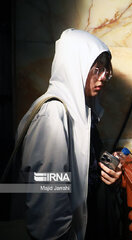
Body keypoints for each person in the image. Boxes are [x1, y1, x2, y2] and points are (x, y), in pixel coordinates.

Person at [7, 28, 122, 239]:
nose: (104, 77)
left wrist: (107, 172)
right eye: (97, 68)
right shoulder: (53, 116)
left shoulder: (80, 113)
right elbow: (49, 214)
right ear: (74, 66)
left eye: (107, 70)